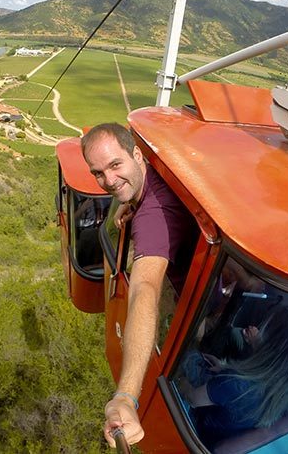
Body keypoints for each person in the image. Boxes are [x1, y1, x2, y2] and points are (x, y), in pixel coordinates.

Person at [80, 122, 198, 448]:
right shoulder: (150, 161)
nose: (108, 180)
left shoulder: (152, 217)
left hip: (199, 299)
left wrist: (127, 396)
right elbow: (130, 183)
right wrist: (125, 199)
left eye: (115, 166)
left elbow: (145, 288)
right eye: (98, 173)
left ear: (135, 154)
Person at [180, 306, 288, 446]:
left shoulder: (236, 384)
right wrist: (224, 369)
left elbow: (191, 398)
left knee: (190, 358)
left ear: (270, 347)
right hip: (221, 433)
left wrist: (179, 378)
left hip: (197, 431)